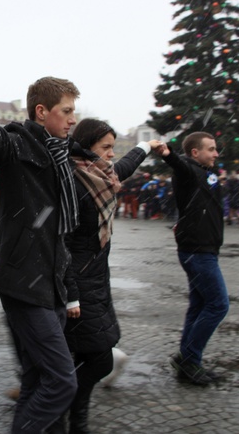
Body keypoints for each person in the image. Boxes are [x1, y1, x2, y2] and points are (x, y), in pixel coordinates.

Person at [0, 47, 79, 433]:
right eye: (67, 111)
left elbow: (52, 230)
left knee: (38, 381)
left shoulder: (61, 155)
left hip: (50, 282)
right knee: (61, 381)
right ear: (42, 111)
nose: (73, 119)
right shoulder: (17, 144)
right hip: (27, 286)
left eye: (74, 111)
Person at [64, 118, 161, 433]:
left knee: (81, 355)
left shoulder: (100, 175)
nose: (110, 154)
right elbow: (59, 243)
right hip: (78, 284)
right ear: (86, 146)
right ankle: (59, 408)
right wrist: (71, 293)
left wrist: (147, 146)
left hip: (95, 281)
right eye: (104, 148)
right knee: (99, 359)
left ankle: (72, 419)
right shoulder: (75, 181)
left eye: (111, 147)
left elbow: (126, 164)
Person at [158, 131, 228, 386]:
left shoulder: (206, 173)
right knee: (219, 305)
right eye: (211, 149)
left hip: (206, 248)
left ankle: (188, 360)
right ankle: (189, 359)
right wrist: (168, 155)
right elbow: (179, 165)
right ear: (195, 153)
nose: (216, 153)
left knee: (199, 306)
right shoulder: (187, 170)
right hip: (197, 251)